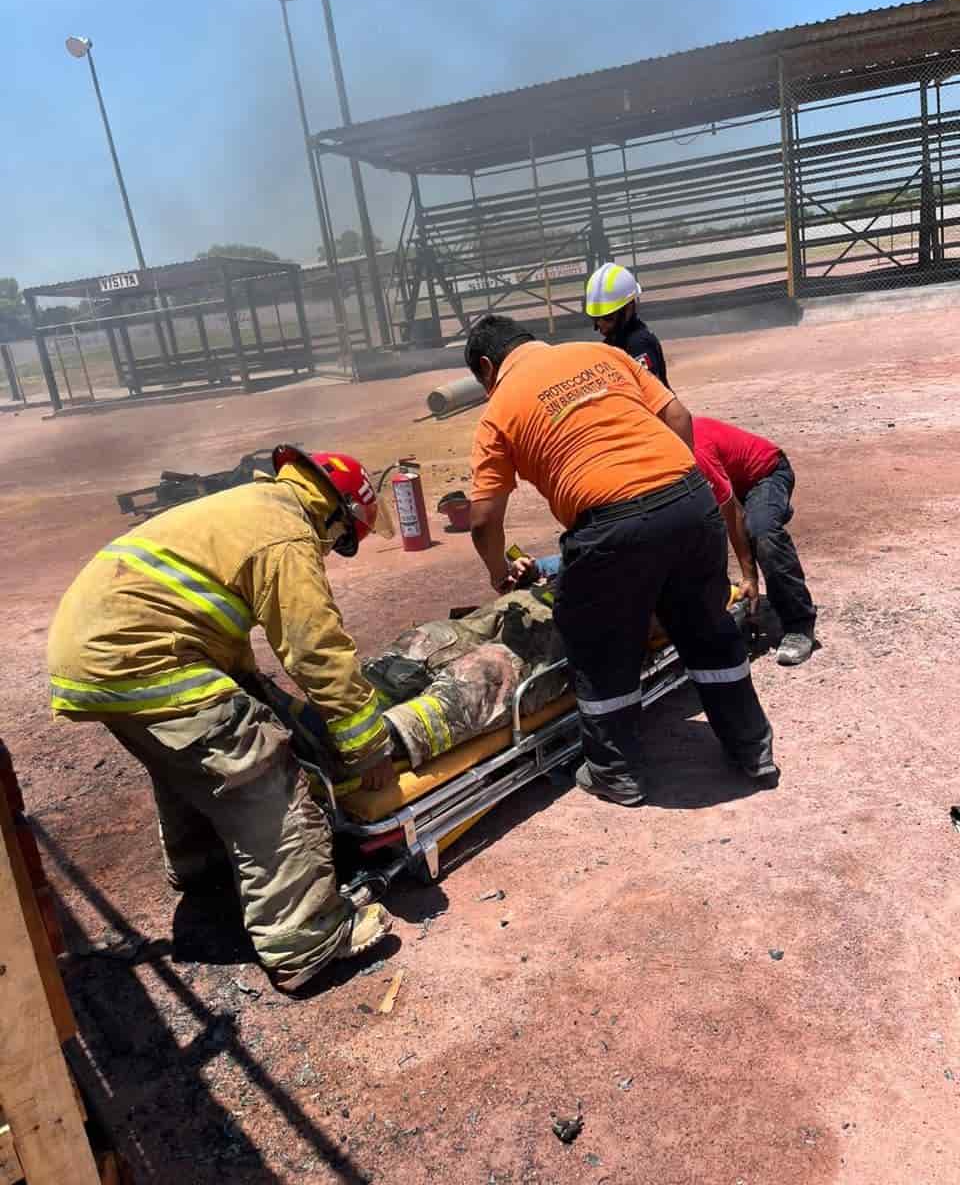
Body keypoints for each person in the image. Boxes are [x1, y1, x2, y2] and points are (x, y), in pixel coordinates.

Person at [47, 445, 396, 993]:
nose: (332, 551)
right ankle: (306, 941)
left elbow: (203, 618)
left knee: (189, 754)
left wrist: (259, 690)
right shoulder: (286, 533)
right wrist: (368, 747)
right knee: (260, 773)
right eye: (342, 539)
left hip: (97, 654)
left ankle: (202, 869)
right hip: (140, 654)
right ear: (334, 511)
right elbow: (316, 649)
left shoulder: (249, 507)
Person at [466, 314, 775, 807]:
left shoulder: (499, 409)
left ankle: (615, 772)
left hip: (610, 524)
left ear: (487, 367)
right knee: (707, 629)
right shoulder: (603, 355)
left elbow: (483, 519)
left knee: (599, 642)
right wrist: (671, 492)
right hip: (691, 501)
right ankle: (753, 748)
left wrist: (499, 572)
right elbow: (680, 418)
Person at [693, 417, 817, 666]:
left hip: (766, 473)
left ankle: (799, 625)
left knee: (761, 531)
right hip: (728, 480)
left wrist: (749, 576)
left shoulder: (693, 449)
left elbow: (732, 513)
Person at [584, 262, 669, 386]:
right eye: (595, 317)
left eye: (608, 317)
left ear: (628, 308)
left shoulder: (638, 344)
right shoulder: (614, 343)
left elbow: (651, 391)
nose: (600, 324)